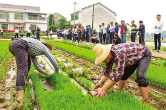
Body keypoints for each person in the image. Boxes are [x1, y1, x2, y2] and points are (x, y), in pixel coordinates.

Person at [9, 37, 59, 103]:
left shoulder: (33, 50)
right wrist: (57, 70)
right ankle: (20, 97)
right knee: (22, 68)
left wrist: (46, 73)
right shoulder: (45, 48)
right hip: (19, 45)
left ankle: (23, 83)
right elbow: (52, 59)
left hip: (13, 45)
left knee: (27, 64)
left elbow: (36, 65)